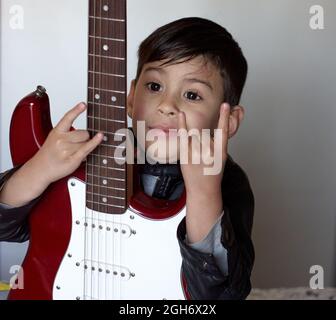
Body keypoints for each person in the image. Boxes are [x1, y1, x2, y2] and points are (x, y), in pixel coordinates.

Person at [0, 17, 254, 299]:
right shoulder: (86, 156)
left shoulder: (228, 183)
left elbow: (222, 294)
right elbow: (5, 228)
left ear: (229, 120)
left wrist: (204, 193)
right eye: (155, 87)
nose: (167, 106)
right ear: (131, 97)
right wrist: (41, 169)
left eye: (192, 94)